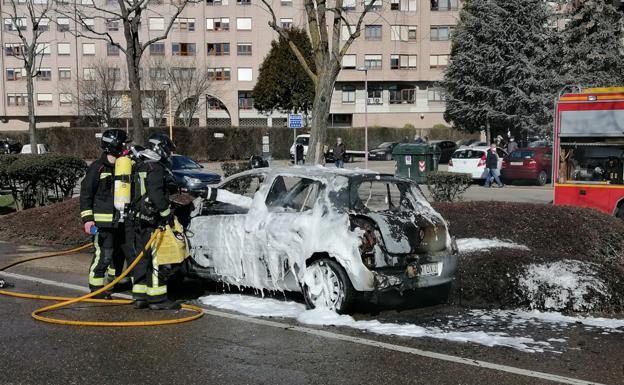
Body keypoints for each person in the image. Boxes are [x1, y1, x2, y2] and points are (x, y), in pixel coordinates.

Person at [131, 133, 180, 310]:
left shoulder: (141, 165)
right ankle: (157, 299)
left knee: (142, 257)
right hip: (152, 219)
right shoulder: (155, 167)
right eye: (167, 149)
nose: (169, 154)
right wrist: (166, 213)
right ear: (160, 148)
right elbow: (156, 194)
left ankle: (140, 296)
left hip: (139, 219)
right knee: (156, 258)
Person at [80, 129, 129, 298]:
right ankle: (96, 288)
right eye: (123, 144)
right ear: (113, 145)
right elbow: (86, 194)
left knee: (119, 253)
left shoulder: (125, 166)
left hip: (121, 220)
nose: (125, 147)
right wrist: (87, 220)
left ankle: (115, 282)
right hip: (102, 222)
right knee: (104, 254)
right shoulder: (97, 168)